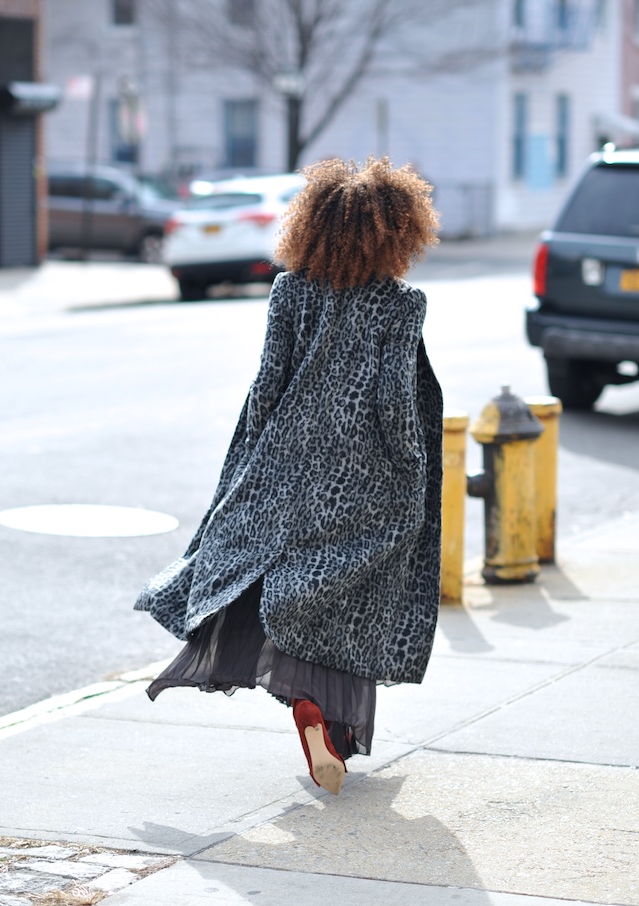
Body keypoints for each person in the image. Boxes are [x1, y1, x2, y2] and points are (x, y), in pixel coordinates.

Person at [135, 157, 443, 795]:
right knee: (347, 596)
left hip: (285, 462)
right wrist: (411, 474)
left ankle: (313, 713)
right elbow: (394, 403)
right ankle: (326, 715)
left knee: (266, 576)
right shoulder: (401, 304)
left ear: (312, 227)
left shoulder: (289, 291)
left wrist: (249, 461)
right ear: (401, 233)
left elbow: (265, 388)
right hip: (363, 473)